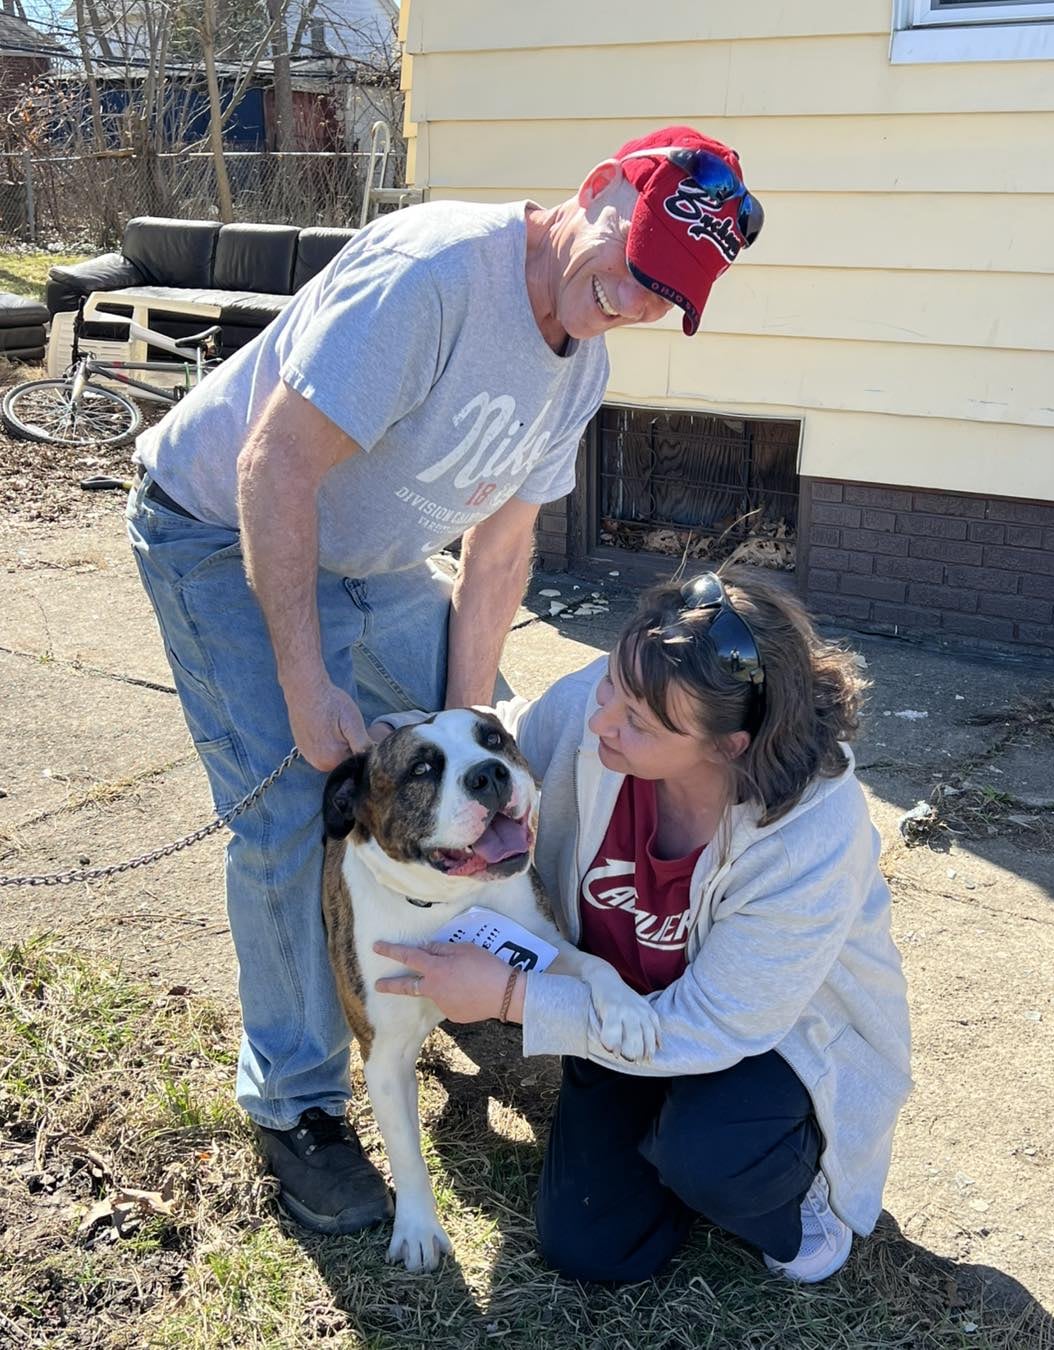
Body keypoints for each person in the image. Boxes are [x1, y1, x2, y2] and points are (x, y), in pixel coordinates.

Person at [124, 127, 763, 1234]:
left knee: (483, 770)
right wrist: (307, 680)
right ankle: (298, 1107)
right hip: (222, 529)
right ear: (600, 185)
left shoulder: (584, 367)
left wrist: (475, 720)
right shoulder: (432, 279)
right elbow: (273, 466)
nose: (634, 296)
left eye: (667, 291)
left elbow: (501, 552)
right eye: (636, 255)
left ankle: (473, 965)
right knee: (288, 813)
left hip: (371, 558)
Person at [373, 570, 912, 1284]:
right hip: (622, 1007)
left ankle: (789, 1175)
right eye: (611, 686)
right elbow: (506, 732)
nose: (601, 723)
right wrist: (402, 741)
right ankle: (669, 1145)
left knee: (710, 1156)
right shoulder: (594, 714)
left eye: (639, 722)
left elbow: (716, 1024)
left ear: (728, 745)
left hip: (769, 1041)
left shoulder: (810, 835)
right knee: (589, 1247)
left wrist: (512, 998)